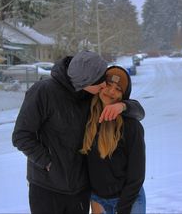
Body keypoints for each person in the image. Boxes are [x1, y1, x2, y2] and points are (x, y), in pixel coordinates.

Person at [12, 50, 145, 214]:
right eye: (102, 82)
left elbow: (137, 111)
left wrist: (124, 105)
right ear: (86, 81)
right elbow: (21, 136)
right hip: (47, 188)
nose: (105, 86)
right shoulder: (43, 92)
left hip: (80, 191)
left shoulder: (89, 95)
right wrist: (48, 163)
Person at [81, 66, 146, 214]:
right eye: (109, 85)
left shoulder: (131, 126)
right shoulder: (86, 119)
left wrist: (123, 208)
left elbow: (137, 174)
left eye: (118, 89)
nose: (111, 91)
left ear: (124, 95)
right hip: (98, 200)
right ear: (100, 86)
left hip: (129, 200)